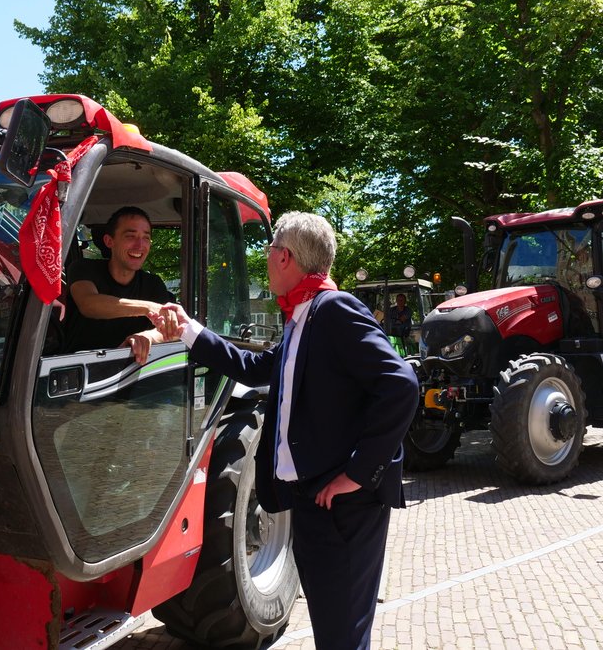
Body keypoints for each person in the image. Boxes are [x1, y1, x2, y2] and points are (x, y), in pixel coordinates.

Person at [149, 212, 418, 649]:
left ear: (287, 257)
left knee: (342, 636)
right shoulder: (301, 317)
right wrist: (190, 332)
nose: (266, 257)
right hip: (313, 503)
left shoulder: (333, 309)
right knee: (335, 631)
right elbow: (257, 368)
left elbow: (401, 385)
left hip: (344, 508)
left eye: (271, 249)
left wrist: (358, 473)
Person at [64, 206, 174, 363]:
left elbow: (170, 329)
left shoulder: (153, 284)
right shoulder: (83, 268)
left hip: (131, 373)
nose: (140, 245)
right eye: (131, 236)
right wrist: (148, 308)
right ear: (109, 241)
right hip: (76, 371)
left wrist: (148, 336)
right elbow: (88, 304)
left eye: (146, 238)